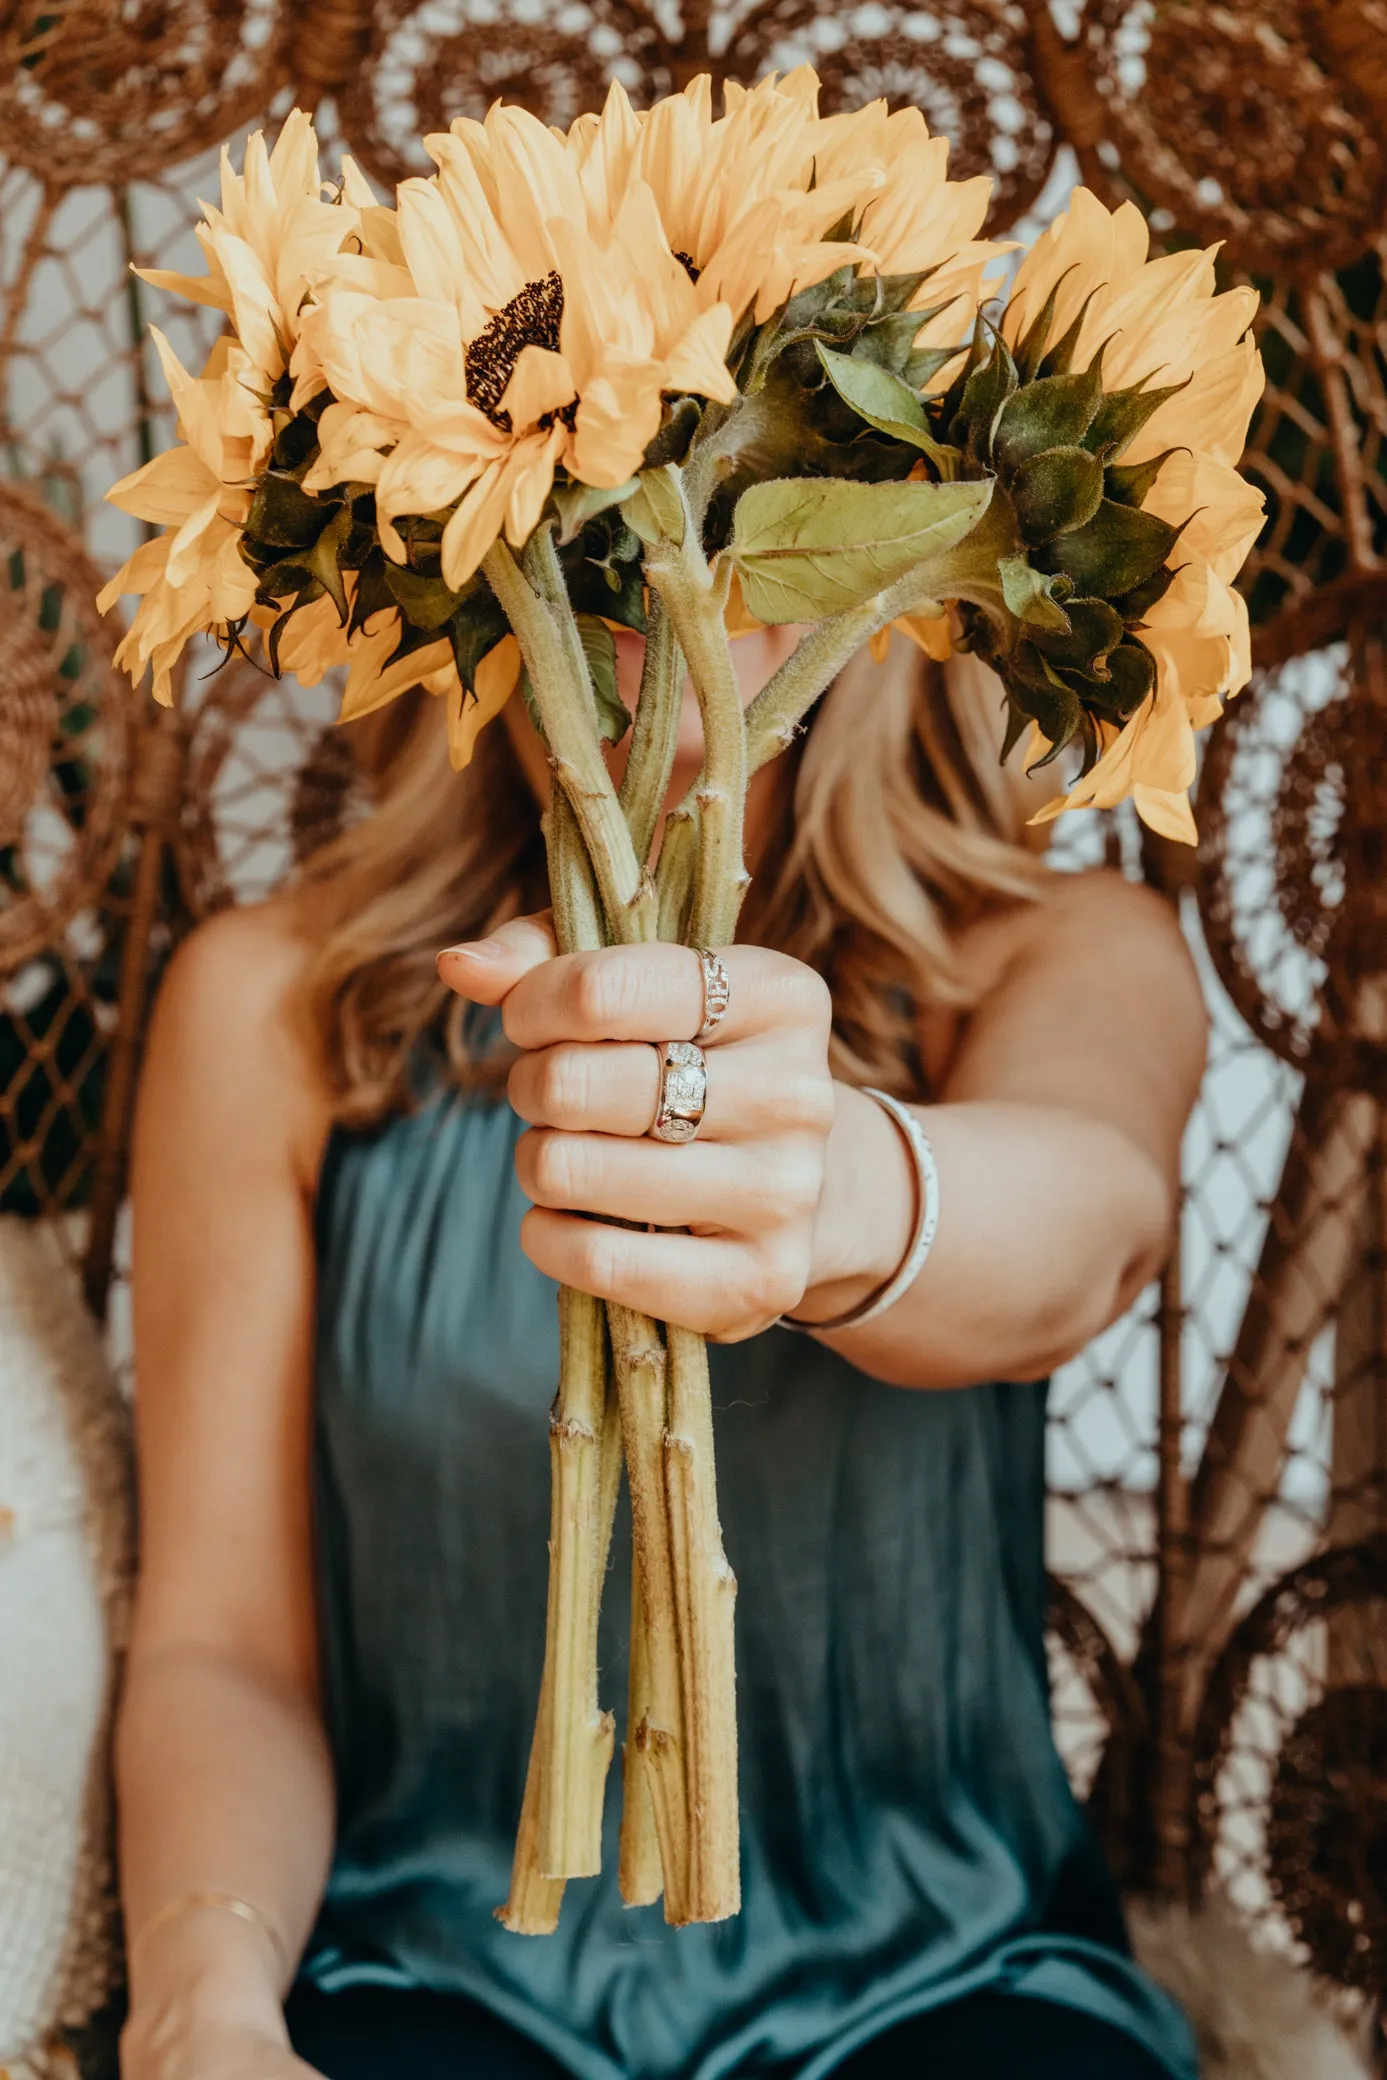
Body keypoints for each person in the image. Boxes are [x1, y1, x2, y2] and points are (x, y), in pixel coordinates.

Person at [116, 624, 1207, 2080]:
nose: (669, 542)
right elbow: (224, 1650)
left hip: (958, 1983)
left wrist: (830, 1190)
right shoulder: (269, 1009)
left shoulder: (1063, 952)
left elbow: (1089, 1225)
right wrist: (204, 2012)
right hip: (422, 1985)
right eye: (590, 462)